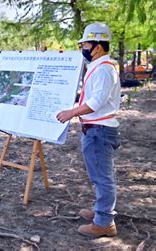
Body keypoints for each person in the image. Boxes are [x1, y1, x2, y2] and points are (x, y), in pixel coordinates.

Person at [57, 23, 121, 237]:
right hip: (96, 130)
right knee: (98, 175)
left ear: (98, 46)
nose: (83, 47)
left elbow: (97, 101)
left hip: (99, 131)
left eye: (85, 43)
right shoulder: (99, 66)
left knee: (103, 178)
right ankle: (100, 211)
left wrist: (71, 112)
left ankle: (104, 222)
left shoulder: (104, 69)